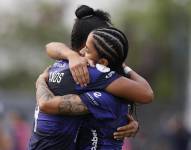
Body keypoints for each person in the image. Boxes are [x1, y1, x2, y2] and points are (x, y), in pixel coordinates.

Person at [29, 5, 153, 150]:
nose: (83, 51)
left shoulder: (57, 66)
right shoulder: (92, 74)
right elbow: (146, 94)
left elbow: (50, 46)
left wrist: (41, 80)